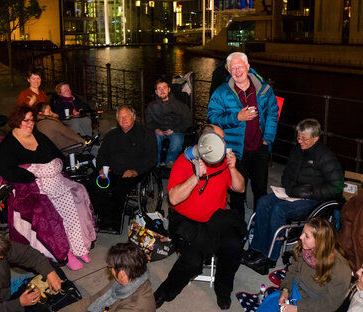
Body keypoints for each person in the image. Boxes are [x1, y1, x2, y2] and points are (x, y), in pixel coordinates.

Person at [153, 124, 246, 310]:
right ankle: (165, 292)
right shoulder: (184, 161)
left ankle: (223, 290)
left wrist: (233, 168)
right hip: (187, 222)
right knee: (193, 261)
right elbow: (173, 198)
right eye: (218, 140)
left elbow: (240, 188)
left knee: (233, 245)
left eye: (223, 140)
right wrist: (196, 177)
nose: (223, 144)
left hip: (216, 220)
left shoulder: (223, 163)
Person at [0, 105, 96, 270]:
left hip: (56, 182)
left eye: (32, 120)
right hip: (34, 186)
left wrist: (57, 164)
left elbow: (55, 152)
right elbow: (6, 170)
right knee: (51, 213)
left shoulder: (37, 135)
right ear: (16, 121)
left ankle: (79, 247)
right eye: (26, 121)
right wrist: (31, 175)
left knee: (76, 198)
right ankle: (65, 254)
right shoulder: (9, 145)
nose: (30, 124)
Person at [243, 118, 343, 274]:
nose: (299, 141)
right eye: (298, 137)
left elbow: (337, 186)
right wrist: (288, 187)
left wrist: (310, 192)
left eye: (304, 138)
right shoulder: (297, 150)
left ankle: (269, 257)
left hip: (312, 200)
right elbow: (287, 172)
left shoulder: (325, 156)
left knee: (279, 210)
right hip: (292, 193)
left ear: (315, 138)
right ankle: (256, 249)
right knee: (263, 201)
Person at [207, 52, 279, 218]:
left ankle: (258, 224)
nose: (237, 71)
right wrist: (236, 117)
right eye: (233, 68)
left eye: (240, 67)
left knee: (260, 188)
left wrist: (267, 139)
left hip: (259, 148)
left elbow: (273, 113)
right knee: (237, 190)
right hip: (235, 150)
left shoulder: (264, 89)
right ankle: (237, 226)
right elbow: (212, 117)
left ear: (247, 67)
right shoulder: (221, 93)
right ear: (228, 70)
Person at [92, 105, 157, 233]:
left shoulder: (145, 134)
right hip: (111, 171)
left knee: (120, 188)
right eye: (120, 117)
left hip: (134, 172)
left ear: (133, 117)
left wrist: (135, 171)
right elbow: (102, 154)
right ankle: (101, 218)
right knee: (93, 184)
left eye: (126, 116)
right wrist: (101, 168)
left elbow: (151, 158)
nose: (124, 119)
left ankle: (114, 222)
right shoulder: (112, 135)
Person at [276, 217, 352, 312]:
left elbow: (331, 304)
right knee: (268, 306)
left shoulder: (340, 269)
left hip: (315, 304)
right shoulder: (303, 248)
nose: (300, 237)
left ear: (320, 241)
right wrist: (285, 290)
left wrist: (298, 308)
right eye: (303, 232)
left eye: (306, 236)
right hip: (297, 289)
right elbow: (292, 271)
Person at [67, 242, 155, 312]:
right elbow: (95, 299)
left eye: (110, 267)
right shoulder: (131, 277)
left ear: (122, 273)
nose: (110, 270)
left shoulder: (133, 307)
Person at [145, 78, 192, 167]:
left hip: (175, 129)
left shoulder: (180, 105)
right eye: (159, 88)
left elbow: (187, 121)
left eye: (164, 87)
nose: (162, 90)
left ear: (169, 89)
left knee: (176, 143)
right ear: (156, 91)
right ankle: (156, 164)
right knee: (154, 141)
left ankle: (170, 162)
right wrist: (156, 129)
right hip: (159, 130)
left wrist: (174, 130)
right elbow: (149, 121)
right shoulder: (151, 106)